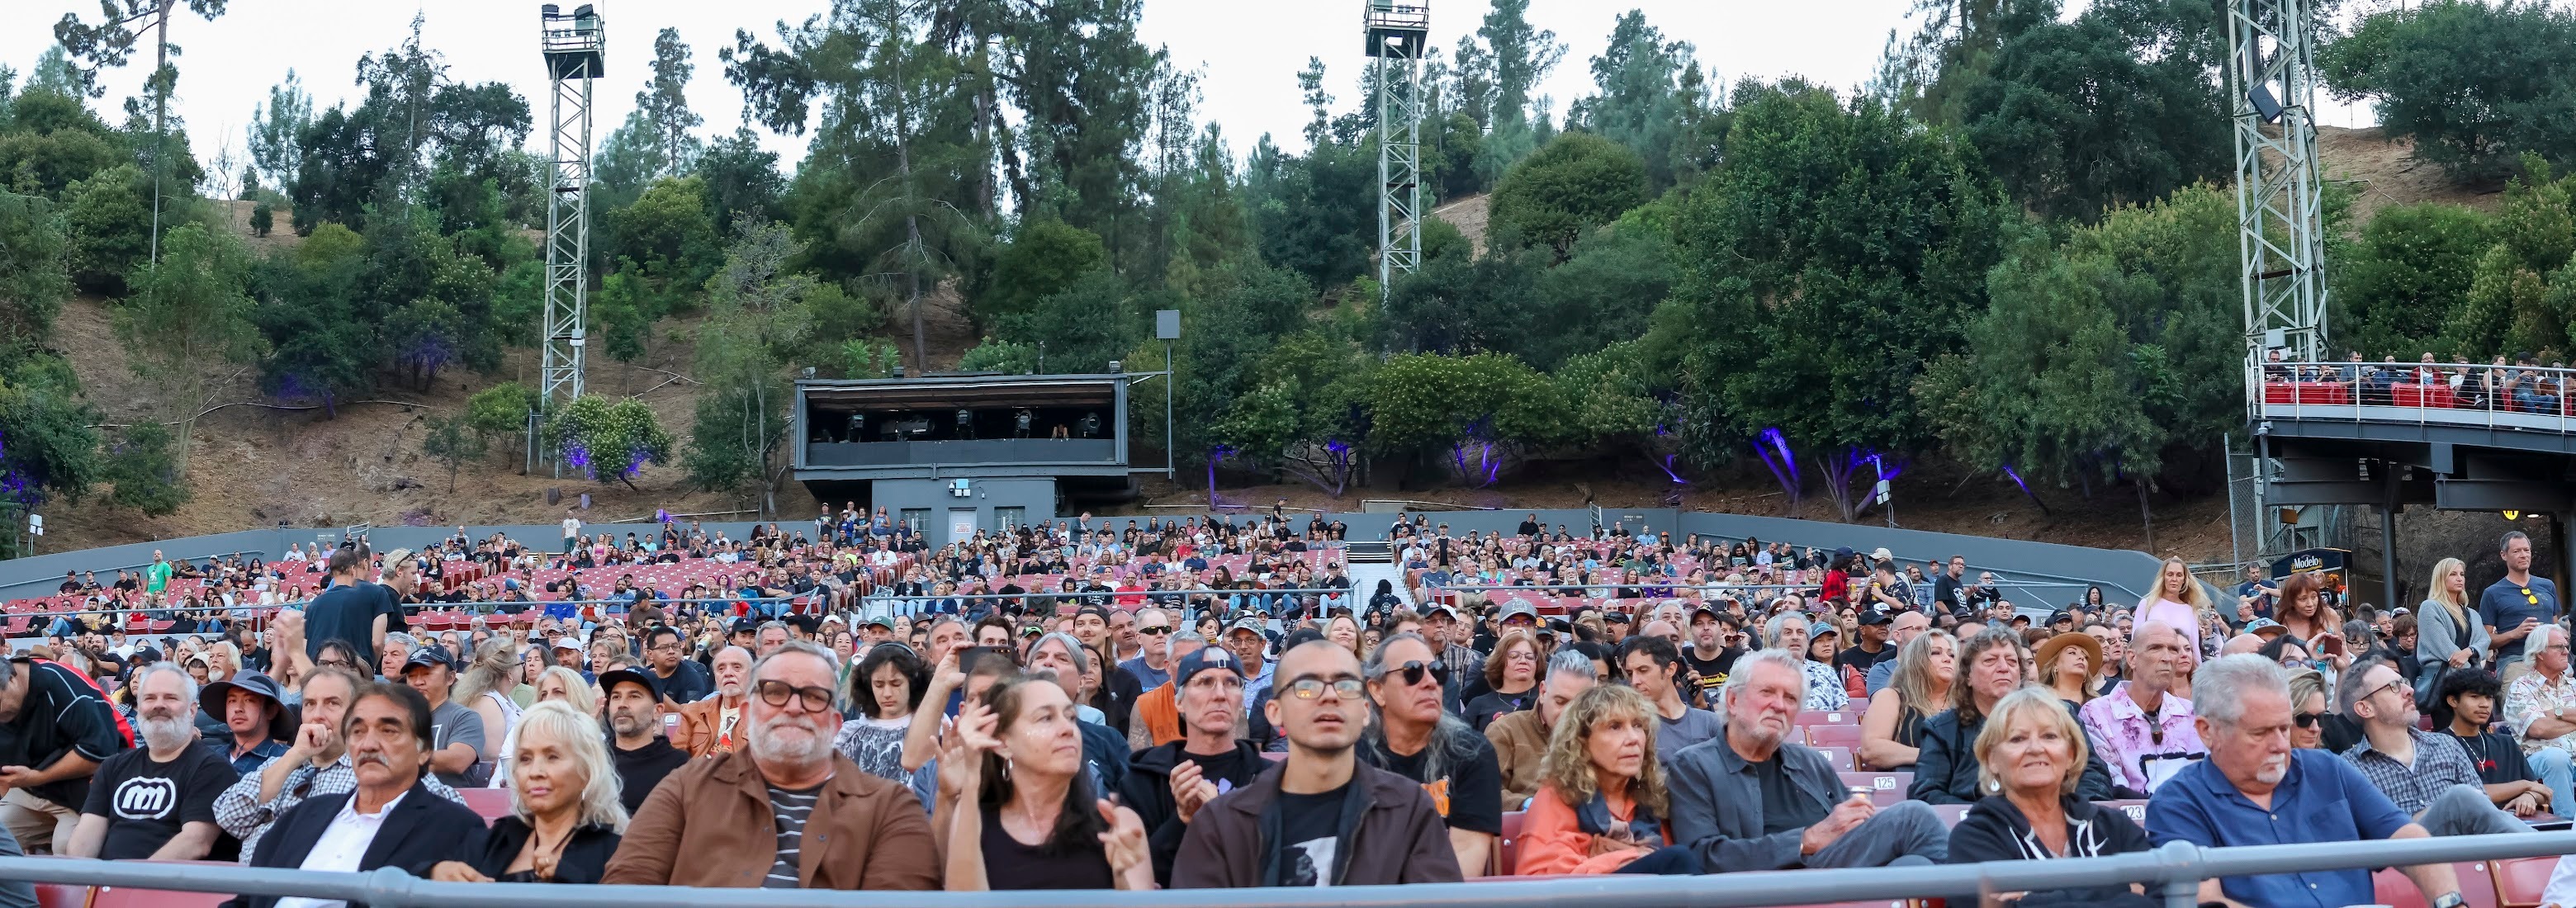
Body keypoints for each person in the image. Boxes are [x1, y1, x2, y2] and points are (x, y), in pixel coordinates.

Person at [604, 641, 940, 889]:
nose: (793, 708)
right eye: (775, 692)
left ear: (836, 723)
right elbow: (627, 884)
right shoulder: (686, 787)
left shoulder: (891, 808)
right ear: (748, 715)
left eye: (813, 696)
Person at [2145, 654, 2468, 908]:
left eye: (2285, 728)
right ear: (2207, 731)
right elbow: (2207, 902)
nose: (2280, 744)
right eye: (2260, 733)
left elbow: (2407, 836)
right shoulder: (2178, 803)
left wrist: (2449, 901)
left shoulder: (2327, 769)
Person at [1169, 640, 1463, 887]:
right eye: (1307, 687)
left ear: (1364, 711)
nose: (1330, 698)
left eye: (1346, 686)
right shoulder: (1223, 822)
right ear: (1274, 713)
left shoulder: (1409, 809)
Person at [1666, 649, 1949, 871]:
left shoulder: (1810, 763)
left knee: (1915, 866)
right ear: (1732, 701)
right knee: (1913, 817)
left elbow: (1850, 831)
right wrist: (1805, 840)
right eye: (1767, 692)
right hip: (1764, 885)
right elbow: (1702, 857)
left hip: (1832, 875)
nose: (1779, 705)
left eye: (1790, 698)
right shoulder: (1693, 766)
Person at [237, 683, 486, 908]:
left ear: (424, 752)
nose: (368, 745)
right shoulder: (304, 814)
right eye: (357, 732)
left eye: (388, 731)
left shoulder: (455, 828)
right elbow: (247, 899)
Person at [932, 674, 1152, 890]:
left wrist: (1122, 883)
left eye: (1071, 717)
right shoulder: (974, 818)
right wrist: (971, 777)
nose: (1068, 729)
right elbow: (966, 903)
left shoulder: (1118, 825)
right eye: (1046, 718)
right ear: (1003, 743)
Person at [1945, 688, 2155, 908]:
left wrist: (2031, 900)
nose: (2036, 748)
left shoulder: (2114, 826)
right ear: (1992, 759)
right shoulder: (1973, 838)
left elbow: (2163, 896)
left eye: (2049, 736)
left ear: (2071, 754)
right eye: (2017, 739)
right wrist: (2125, 894)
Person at [1911, 629, 2114, 804]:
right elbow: (1927, 795)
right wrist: (1996, 811)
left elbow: (2094, 776)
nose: (2003, 668)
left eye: (2011, 661)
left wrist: (2065, 812)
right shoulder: (1941, 729)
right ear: (1968, 676)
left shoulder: (2061, 715)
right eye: (1990, 660)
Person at [1513, 683, 1699, 876]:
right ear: (1582, 742)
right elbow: (1537, 879)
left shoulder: (1652, 797)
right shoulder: (1557, 797)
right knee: (1675, 860)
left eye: (1638, 726)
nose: (1633, 738)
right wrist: (1630, 856)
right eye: (1615, 726)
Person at [432, 701, 626, 883]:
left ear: (587, 770)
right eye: (525, 759)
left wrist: (573, 885)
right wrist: (435, 873)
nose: (535, 772)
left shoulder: (616, 853)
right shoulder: (495, 839)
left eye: (552, 757)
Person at [1120, 646, 1267, 887]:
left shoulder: (1267, 780)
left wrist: (1218, 821)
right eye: (1205, 682)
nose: (1220, 694)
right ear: (1179, 702)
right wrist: (1182, 821)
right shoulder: (1143, 779)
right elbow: (1139, 880)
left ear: (1241, 701)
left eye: (1231, 683)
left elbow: (1276, 873)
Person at [2337, 655, 2531, 836]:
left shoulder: (2446, 745)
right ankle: (2546, 855)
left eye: (2404, 682)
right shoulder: (2349, 769)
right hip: (2399, 859)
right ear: (2365, 708)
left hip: (2466, 856)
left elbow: (2483, 810)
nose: (2410, 690)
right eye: (2394, 686)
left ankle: (2545, 853)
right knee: (2461, 797)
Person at [64, 664, 235, 860]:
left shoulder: (213, 769)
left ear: (191, 710)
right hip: (106, 884)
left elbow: (196, 843)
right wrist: (84, 880)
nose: (158, 705)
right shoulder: (113, 766)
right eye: (149, 698)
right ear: (138, 708)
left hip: (169, 886)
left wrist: (128, 885)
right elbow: (86, 836)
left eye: (170, 698)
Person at [0, 654, 130, 853]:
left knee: (69, 850)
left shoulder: (59, 682)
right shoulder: (9, 698)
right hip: (27, 790)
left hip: (82, 791)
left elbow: (98, 753)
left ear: (12, 678)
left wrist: (37, 777)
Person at [2080, 621, 2204, 797]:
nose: (2167, 658)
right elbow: (2109, 790)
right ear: (2132, 658)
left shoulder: (2195, 715)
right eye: (2155, 648)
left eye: (2173, 650)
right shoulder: (2097, 715)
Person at [2431, 669, 2555, 819]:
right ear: (2453, 701)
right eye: (2475, 697)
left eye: (2489, 698)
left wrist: (2530, 796)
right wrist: (2523, 785)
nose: (2484, 705)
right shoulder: (2437, 745)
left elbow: (2540, 790)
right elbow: (2461, 797)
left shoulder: (2506, 742)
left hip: (2518, 826)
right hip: (2468, 830)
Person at [1488, 650, 1598, 807]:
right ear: (1543, 692)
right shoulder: (1506, 731)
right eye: (1560, 702)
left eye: (1580, 706)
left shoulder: (1602, 736)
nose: (1569, 713)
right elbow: (1485, 791)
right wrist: (1528, 805)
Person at [835, 643, 930, 785]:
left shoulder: (933, 726)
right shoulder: (847, 734)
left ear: (913, 682)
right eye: (879, 685)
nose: (887, 694)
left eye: (896, 684)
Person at [598, 666, 688, 815]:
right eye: (616, 697)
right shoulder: (593, 759)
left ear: (657, 711)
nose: (622, 704)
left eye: (634, 696)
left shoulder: (679, 766)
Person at [2506, 623, 2576, 811]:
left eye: (2566, 646)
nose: (2566, 652)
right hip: (2537, 760)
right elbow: (2539, 728)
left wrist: (2558, 713)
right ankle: (2567, 832)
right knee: (2557, 758)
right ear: (2539, 653)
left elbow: (2548, 723)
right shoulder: (2521, 688)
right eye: (2558, 647)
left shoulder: (2573, 685)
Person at [1860, 630, 1953, 772]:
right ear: (1915, 660)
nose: (1948, 659)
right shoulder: (1891, 697)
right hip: (1908, 787)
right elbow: (1872, 749)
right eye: (1936, 652)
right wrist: (1932, 755)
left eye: (1951, 654)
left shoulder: (1966, 703)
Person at [1618, 635, 1722, 759]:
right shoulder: (1636, 729)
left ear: (1670, 669)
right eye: (1630, 673)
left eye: (1643, 670)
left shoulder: (1709, 722)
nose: (1635, 681)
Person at [400, 647, 487, 788]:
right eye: (412, 676)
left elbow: (458, 760)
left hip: (449, 803)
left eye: (427, 673)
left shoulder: (465, 717)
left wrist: (400, 758)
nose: (418, 682)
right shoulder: (398, 718)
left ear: (450, 678)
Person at [301, 550, 393, 672]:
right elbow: (377, 642)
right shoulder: (377, 594)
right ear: (353, 569)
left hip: (319, 674)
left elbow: (304, 645)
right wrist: (368, 669)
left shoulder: (314, 604)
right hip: (353, 672)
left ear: (332, 573)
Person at [2483, 531, 2559, 669]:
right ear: (2503, 555)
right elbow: (2484, 641)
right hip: (2516, 660)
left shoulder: (2548, 585)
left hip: (2550, 659)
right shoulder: (2492, 593)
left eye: (2526, 550)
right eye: (2516, 551)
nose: (2523, 555)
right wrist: (2514, 634)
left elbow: (2556, 627)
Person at [2417, 557, 2490, 699]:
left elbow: (2485, 640)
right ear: (2441, 578)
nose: (2459, 578)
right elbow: (2447, 650)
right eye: (2453, 574)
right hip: (2445, 683)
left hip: (2473, 682)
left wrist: (2469, 651)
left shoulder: (2472, 614)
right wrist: (2473, 675)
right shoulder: (2430, 607)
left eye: (2462, 574)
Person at [199, 670, 291, 774]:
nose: (238, 708)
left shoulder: (285, 760)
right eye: (232, 701)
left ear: (271, 711)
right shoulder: (210, 756)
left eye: (249, 700)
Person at [673, 646, 753, 758]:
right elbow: (676, 757)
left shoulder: (766, 715)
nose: (728, 673)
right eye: (721, 669)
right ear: (715, 677)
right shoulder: (693, 712)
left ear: (752, 674)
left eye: (737, 667)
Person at [1764, 612, 1849, 712]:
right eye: (1788, 632)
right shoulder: (1765, 673)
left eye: (1800, 632)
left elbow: (1843, 707)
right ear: (1776, 641)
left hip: (1825, 727)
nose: (1795, 637)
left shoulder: (1826, 671)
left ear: (1808, 641)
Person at [1461, 630, 1541, 733]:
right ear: (1499, 661)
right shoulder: (1478, 704)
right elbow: (1461, 745)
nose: (1523, 661)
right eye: (1514, 656)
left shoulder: (1547, 699)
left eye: (1529, 657)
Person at [2138, 556, 2211, 662]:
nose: (2174, 579)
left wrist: (2197, 676)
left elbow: (2194, 648)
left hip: (2182, 668)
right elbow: (2136, 642)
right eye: (2170, 574)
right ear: (2163, 577)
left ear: (2185, 580)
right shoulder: (2147, 604)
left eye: (2179, 575)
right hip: (2153, 666)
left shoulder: (2190, 610)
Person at [1864, 610, 1932, 698]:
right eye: (1918, 629)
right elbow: (1884, 705)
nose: (1925, 634)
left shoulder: (1939, 666)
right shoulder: (1882, 671)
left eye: (1927, 629)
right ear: (1898, 636)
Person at [642, 626, 713, 707]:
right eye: (664, 648)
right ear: (650, 654)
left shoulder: (692, 677)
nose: (671, 651)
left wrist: (655, 688)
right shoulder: (643, 676)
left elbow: (688, 713)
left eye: (675, 646)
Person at [2034, 631, 2100, 706]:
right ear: (2055, 663)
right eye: (2072, 653)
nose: (2082, 657)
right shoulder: (2039, 700)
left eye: (2085, 657)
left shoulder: (2099, 704)